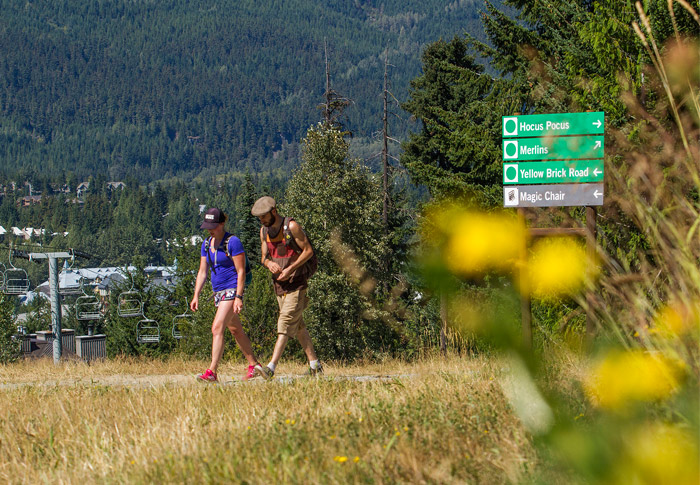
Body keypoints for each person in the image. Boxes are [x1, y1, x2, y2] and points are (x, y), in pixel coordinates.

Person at [190, 207, 265, 382]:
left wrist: (238, 297)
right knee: (235, 330)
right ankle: (254, 365)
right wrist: (196, 295)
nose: (210, 229)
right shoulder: (206, 244)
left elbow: (241, 272)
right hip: (218, 292)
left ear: (222, 223)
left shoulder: (233, 242)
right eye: (208, 226)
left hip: (232, 290)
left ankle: (212, 372)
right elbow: (202, 272)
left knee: (217, 327)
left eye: (213, 225)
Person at [251, 196, 323, 378]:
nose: (262, 220)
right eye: (259, 217)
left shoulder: (291, 227)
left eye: (264, 216)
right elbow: (264, 257)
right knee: (297, 325)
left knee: (284, 323)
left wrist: (291, 268)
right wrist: (268, 264)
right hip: (279, 285)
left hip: (297, 283)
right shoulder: (264, 232)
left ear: (274, 211)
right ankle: (315, 366)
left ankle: (271, 368)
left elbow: (308, 251)